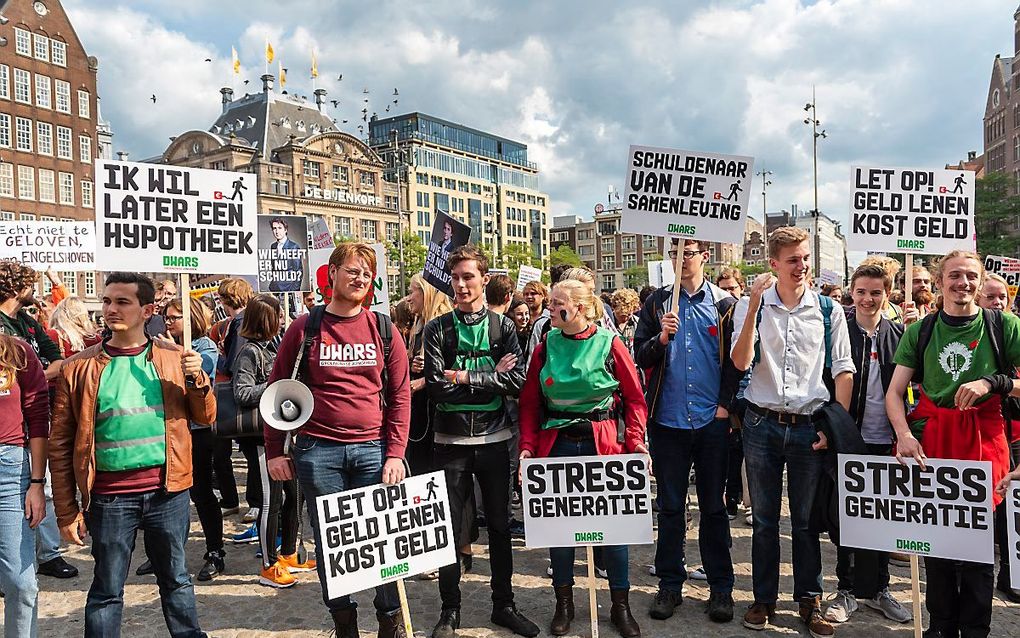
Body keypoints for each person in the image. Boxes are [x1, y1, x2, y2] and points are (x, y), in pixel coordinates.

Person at [49, 272, 215, 638]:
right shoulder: (79, 367)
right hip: (109, 498)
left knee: (176, 582)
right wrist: (66, 510)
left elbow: (206, 416)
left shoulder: (175, 359)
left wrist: (197, 379)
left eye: (122, 302)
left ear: (147, 310)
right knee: (107, 592)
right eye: (107, 301)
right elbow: (60, 444)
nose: (110, 309)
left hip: (167, 493)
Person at [264, 242, 411, 638]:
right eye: (352, 270)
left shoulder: (384, 329)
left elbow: (399, 395)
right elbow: (279, 390)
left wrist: (395, 453)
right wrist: (275, 451)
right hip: (318, 453)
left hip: (373, 451)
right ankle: (344, 622)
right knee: (333, 547)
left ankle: (389, 620)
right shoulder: (305, 328)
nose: (360, 278)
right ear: (332, 275)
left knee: (383, 543)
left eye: (367, 272)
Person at [887, 250, 1020, 638]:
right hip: (936, 444)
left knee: (979, 553)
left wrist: (994, 383)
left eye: (971, 276)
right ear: (940, 280)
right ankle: (940, 628)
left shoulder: (1005, 326)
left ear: (980, 282)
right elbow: (895, 393)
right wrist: (905, 435)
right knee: (937, 547)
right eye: (955, 276)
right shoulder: (921, 330)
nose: (964, 283)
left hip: (985, 443)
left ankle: (975, 630)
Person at [730, 226, 854, 637]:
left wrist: (834, 428)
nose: (802, 267)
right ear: (774, 264)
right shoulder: (755, 305)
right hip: (761, 423)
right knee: (765, 520)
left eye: (805, 258)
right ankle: (763, 598)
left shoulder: (827, 309)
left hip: (808, 426)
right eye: (793, 260)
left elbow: (842, 370)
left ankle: (809, 599)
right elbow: (739, 361)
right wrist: (750, 309)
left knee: (804, 522)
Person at [519, 278, 648, 638]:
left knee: (614, 531)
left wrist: (635, 440)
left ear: (578, 307)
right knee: (559, 531)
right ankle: (564, 604)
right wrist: (527, 445)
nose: (548, 307)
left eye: (557, 302)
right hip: (557, 443)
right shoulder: (545, 346)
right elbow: (530, 401)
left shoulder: (610, 343)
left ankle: (620, 607)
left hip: (603, 443)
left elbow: (635, 398)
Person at [424, 244, 539, 638]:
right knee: (450, 529)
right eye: (455, 278)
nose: (460, 285)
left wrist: (465, 377)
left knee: (501, 528)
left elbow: (517, 381)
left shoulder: (503, 326)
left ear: (483, 280)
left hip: (495, 440)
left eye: (468, 277)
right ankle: (449, 610)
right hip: (450, 443)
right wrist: (486, 378)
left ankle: (503, 605)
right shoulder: (436, 328)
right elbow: (437, 388)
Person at [634, 238, 740, 624]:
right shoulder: (657, 303)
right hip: (668, 421)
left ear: (704, 257)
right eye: (673, 251)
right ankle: (670, 584)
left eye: (688, 251)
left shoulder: (725, 305)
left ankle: (721, 588)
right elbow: (639, 355)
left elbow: (738, 361)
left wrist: (726, 406)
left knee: (714, 508)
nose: (680, 258)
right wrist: (660, 338)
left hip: (712, 421)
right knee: (671, 508)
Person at [822, 264, 912, 625]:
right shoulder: (838, 330)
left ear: (885, 294)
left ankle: (879, 590)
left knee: (881, 520)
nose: (867, 298)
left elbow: (911, 389)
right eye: (861, 291)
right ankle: (846, 589)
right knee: (845, 518)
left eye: (875, 292)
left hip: (885, 440)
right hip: (847, 438)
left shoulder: (900, 334)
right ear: (851, 292)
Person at [0, 262, 76, 579]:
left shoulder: (29, 324)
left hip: (33, 415)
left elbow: (57, 358)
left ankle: (47, 554)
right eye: (30, 284)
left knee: (39, 489)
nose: (35, 290)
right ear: (17, 288)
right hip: (9, 429)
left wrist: (33, 380)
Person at [233, 294, 313, 588]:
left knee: (294, 495)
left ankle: (289, 552)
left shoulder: (277, 345)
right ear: (266, 319)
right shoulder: (249, 352)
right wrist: (275, 386)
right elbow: (241, 393)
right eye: (278, 315)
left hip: (286, 433)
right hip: (260, 438)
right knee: (271, 501)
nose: (283, 320)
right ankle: (268, 564)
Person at [160, 298, 226, 582]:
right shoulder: (163, 347)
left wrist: (175, 355)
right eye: (166, 317)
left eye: (174, 317)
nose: (168, 322)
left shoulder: (203, 347)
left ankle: (215, 551)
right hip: (172, 429)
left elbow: (201, 384)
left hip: (198, 431)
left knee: (201, 493)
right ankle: (162, 552)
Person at [0, 333, 50, 637]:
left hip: (10, 469)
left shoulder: (17, 352)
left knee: (21, 582)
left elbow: (38, 416)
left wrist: (36, 482)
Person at [215, 278, 262, 529]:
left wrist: (220, 358)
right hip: (251, 392)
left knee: (253, 452)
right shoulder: (244, 320)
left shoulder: (239, 323)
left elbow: (234, 363)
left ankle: (256, 502)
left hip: (245, 394)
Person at [267, 218, 304, 293]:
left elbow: (298, 271)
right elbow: (274, 268)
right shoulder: (273, 246)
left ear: (285, 230)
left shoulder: (293, 247)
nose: (277, 231)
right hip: (274, 288)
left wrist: (293, 290)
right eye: (274, 228)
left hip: (288, 289)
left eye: (280, 228)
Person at [609, 288, 640, 355]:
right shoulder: (607, 324)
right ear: (614, 308)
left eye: (629, 314)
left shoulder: (638, 323)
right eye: (622, 315)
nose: (626, 318)